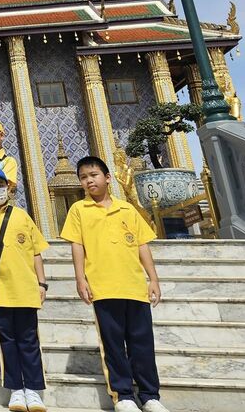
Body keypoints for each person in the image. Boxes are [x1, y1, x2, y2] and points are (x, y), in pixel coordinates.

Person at [60, 156, 168, 412]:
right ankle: (124, 395)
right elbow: (77, 245)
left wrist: (153, 278)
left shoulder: (127, 210)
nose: (89, 180)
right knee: (113, 344)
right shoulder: (79, 210)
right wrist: (79, 278)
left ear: (107, 178)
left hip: (133, 285)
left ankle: (150, 394)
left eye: (93, 175)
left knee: (142, 342)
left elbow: (142, 245)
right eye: (84, 177)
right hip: (103, 286)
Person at [0, 168, 48, 412]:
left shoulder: (21, 215)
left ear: (8, 187)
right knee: (7, 342)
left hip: (25, 288)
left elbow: (36, 252)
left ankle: (34, 389)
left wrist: (42, 283)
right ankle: (15, 388)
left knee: (29, 341)